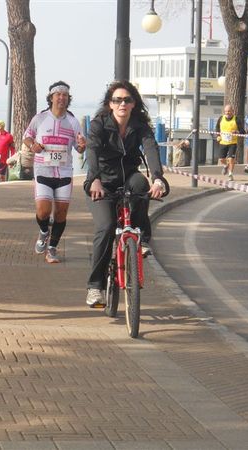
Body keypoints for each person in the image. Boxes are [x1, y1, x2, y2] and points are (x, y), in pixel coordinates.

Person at [83, 80, 167, 308]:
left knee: (141, 185)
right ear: (110, 104)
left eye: (127, 100)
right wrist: (95, 180)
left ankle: (141, 237)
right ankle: (95, 287)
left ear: (133, 104)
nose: (122, 104)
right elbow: (91, 150)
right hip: (102, 183)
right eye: (117, 100)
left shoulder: (139, 125)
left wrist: (158, 178)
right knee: (106, 227)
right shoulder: (100, 124)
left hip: (128, 177)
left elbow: (150, 147)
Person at [23, 81, 87, 264]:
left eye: (65, 95)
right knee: (43, 212)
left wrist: (82, 146)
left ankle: (52, 248)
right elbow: (27, 136)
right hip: (43, 170)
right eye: (58, 94)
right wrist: (33, 145)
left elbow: (80, 147)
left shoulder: (73, 121)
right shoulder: (40, 118)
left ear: (68, 99)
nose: (61, 97)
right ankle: (44, 231)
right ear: (51, 98)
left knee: (61, 213)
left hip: (64, 173)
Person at [215, 104, 245, 181]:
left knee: (231, 159)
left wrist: (236, 131)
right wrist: (218, 135)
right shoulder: (221, 118)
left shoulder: (236, 119)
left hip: (232, 142)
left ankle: (230, 174)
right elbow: (217, 128)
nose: (227, 113)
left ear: (232, 111)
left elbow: (243, 131)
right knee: (221, 159)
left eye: (229, 111)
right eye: (226, 111)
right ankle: (226, 165)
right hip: (223, 142)